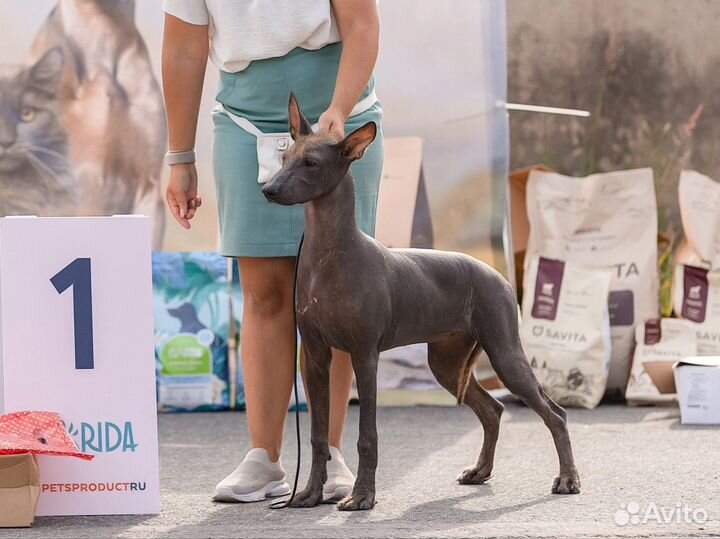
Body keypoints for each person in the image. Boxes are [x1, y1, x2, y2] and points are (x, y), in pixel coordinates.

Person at [161, 0, 383, 503]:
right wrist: (180, 156)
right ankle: (263, 458)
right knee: (263, 292)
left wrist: (340, 110)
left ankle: (330, 455)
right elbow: (182, 49)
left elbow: (363, 24)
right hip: (243, 123)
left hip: (335, 125)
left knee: (343, 293)